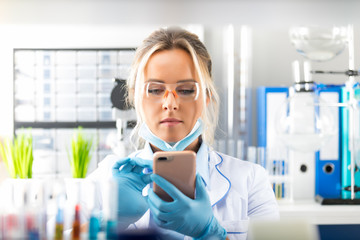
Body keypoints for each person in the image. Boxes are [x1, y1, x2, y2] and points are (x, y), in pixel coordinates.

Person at [87, 27, 279, 240]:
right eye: (154, 90)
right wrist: (107, 224)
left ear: (206, 96)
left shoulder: (250, 180)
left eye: (186, 90)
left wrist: (210, 233)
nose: (170, 103)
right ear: (134, 97)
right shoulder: (106, 180)